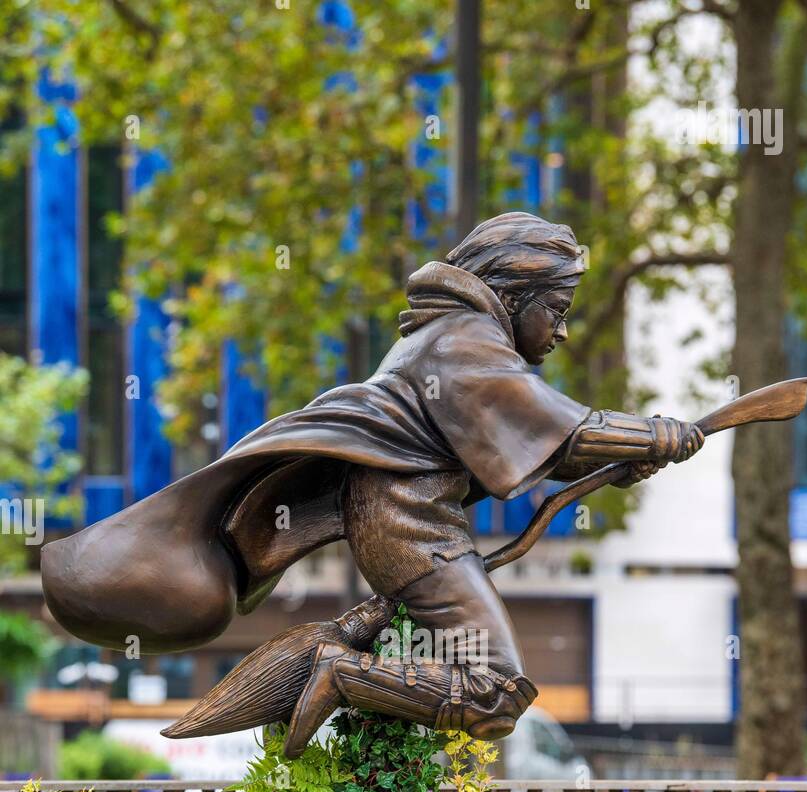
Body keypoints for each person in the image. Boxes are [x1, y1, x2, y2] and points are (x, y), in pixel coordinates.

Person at [41, 211, 703, 753]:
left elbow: (535, 440)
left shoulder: (458, 340)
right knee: (492, 690)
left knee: (483, 685)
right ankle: (346, 672)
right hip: (411, 529)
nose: (561, 329)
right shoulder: (462, 341)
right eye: (555, 308)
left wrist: (613, 459)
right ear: (511, 294)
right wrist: (654, 434)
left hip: (410, 525)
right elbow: (561, 428)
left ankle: (350, 674)